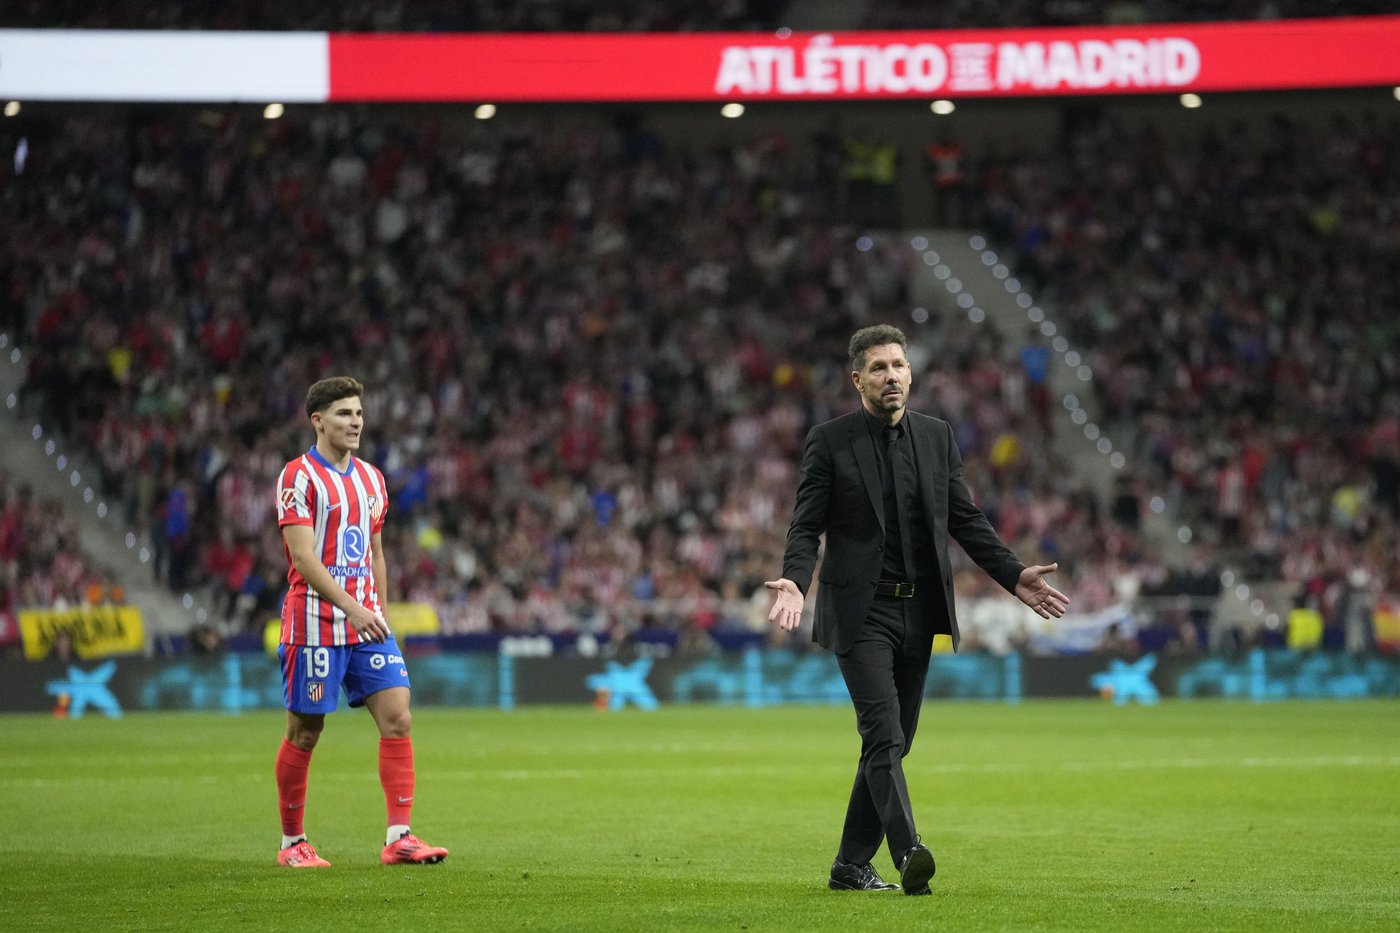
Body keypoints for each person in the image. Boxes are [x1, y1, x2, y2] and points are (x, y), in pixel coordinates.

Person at [765, 325, 1068, 895]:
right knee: (883, 736)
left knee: (893, 743)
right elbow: (807, 524)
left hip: (918, 613)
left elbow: (965, 519)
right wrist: (795, 583)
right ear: (858, 380)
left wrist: (1012, 574)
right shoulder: (829, 441)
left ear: (912, 374)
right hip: (860, 614)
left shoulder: (936, 437)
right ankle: (909, 853)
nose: (892, 377)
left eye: (899, 366)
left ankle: (850, 865)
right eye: (878, 368)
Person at [272, 376, 448, 868]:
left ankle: (400, 837)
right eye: (345, 414)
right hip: (314, 624)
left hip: (366, 623)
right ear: (318, 421)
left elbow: (374, 552)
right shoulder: (298, 477)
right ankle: (292, 844)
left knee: (398, 717)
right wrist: (351, 606)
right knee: (305, 732)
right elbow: (303, 558)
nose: (356, 422)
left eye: (359, 414)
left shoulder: (372, 479)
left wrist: (382, 614)